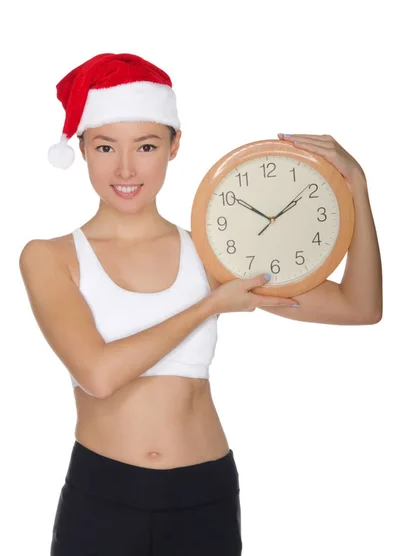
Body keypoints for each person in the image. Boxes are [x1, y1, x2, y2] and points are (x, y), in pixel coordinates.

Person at [19, 53, 382, 555]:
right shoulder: (50, 257)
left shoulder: (210, 254)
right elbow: (98, 375)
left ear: (174, 146)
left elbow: (359, 306)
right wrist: (208, 305)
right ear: (82, 149)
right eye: (106, 146)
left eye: (146, 145)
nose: (125, 168)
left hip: (204, 494)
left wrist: (357, 189)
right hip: (104, 495)